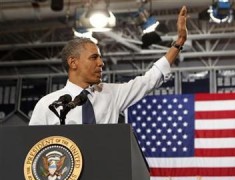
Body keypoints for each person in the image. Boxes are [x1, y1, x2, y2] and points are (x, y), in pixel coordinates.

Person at [29, 6, 188, 125]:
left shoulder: (112, 94)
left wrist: (179, 42)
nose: (101, 63)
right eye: (94, 58)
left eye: (100, 58)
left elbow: (150, 79)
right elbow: (33, 150)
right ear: (73, 62)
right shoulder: (48, 105)